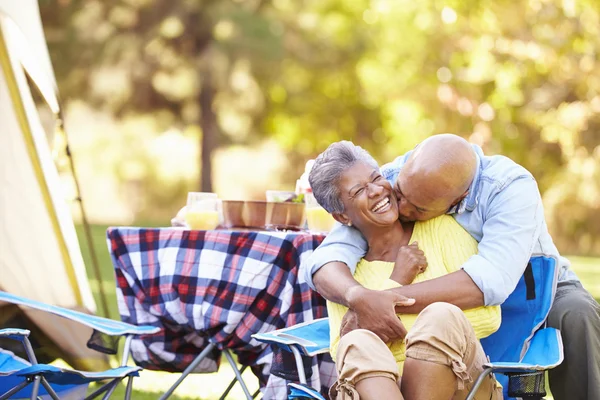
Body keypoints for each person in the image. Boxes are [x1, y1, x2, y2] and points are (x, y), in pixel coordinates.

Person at [305, 134, 600, 400]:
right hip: (448, 293)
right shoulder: (391, 180)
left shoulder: (508, 190)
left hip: (531, 278)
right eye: (401, 194)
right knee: (360, 341)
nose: (402, 210)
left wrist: (386, 302)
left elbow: (489, 284)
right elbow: (326, 258)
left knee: (577, 313)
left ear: (457, 201)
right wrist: (361, 298)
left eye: (418, 209)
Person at [308, 141, 502, 399]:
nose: (377, 190)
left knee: (441, 317)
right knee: (357, 343)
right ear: (342, 217)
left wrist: (380, 312)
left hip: (463, 388)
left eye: (376, 178)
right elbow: (342, 347)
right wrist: (395, 281)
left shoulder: (441, 230)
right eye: (359, 191)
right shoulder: (344, 274)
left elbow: (488, 317)